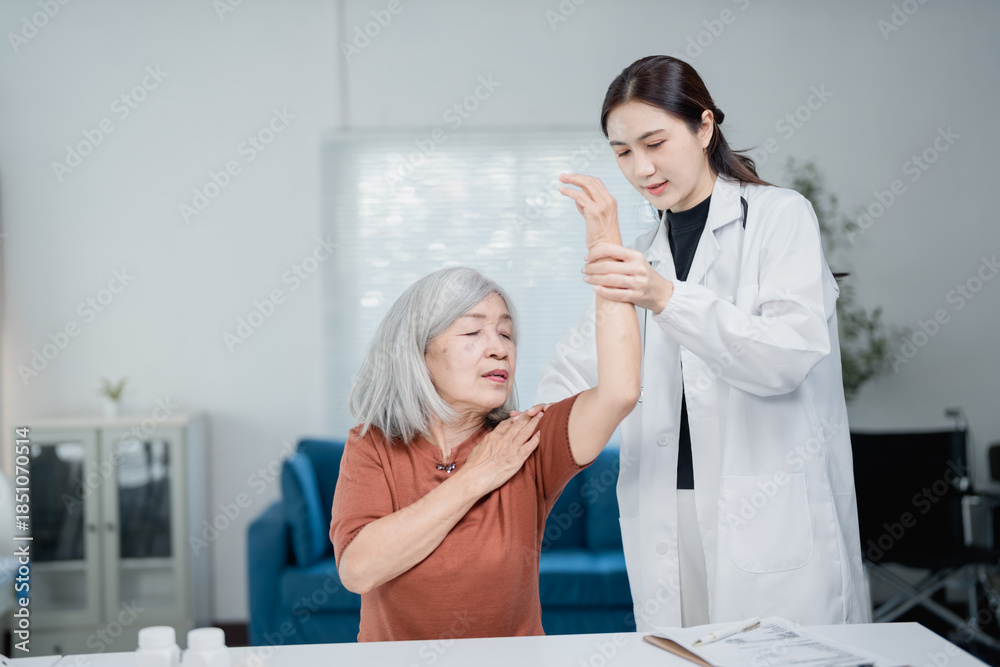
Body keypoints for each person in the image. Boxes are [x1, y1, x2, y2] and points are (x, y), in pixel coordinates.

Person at [536, 55, 869, 630]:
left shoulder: (779, 217)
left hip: (767, 510)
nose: (641, 167)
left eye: (655, 142)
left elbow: (785, 358)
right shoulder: (641, 252)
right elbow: (575, 373)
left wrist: (665, 296)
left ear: (705, 126)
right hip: (667, 510)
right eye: (622, 151)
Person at [329, 190, 640, 641]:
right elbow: (359, 569)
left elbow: (620, 392)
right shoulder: (373, 442)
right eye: (473, 331)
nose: (499, 347)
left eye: (506, 333)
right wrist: (477, 476)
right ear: (420, 353)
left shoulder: (527, 439)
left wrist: (606, 249)